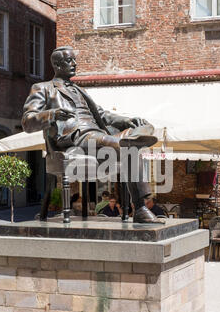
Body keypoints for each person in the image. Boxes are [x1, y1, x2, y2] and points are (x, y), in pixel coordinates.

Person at [22, 45, 160, 224]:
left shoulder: (80, 90)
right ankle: (140, 207)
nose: (75, 63)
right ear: (56, 65)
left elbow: (102, 115)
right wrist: (53, 114)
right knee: (127, 146)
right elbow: (27, 121)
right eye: (69, 60)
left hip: (97, 133)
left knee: (139, 129)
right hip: (77, 135)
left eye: (74, 60)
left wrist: (127, 121)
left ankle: (137, 134)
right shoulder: (43, 88)